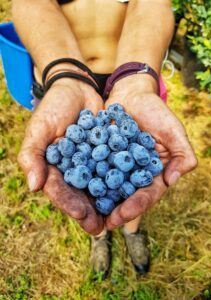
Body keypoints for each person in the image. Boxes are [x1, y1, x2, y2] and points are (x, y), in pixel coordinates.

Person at [12, 0, 197, 277]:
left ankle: (132, 231)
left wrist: (136, 79)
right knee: (81, 192)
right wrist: (65, 75)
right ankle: (98, 237)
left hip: (130, 78)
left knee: (135, 184)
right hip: (62, 80)